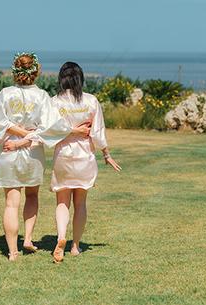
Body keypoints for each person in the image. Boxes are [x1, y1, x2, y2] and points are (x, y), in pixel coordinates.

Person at [0, 53, 90, 261]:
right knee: (32, 196)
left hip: (10, 149)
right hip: (32, 152)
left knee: (11, 203)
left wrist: (17, 134)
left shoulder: (5, 94)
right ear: (36, 72)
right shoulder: (41, 97)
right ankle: (28, 238)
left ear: (15, 71)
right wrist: (28, 135)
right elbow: (52, 127)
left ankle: (13, 251)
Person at [50, 62, 122, 263]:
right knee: (80, 203)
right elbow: (97, 133)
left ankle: (61, 236)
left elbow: (49, 129)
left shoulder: (54, 102)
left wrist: (69, 131)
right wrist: (106, 154)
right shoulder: (90, 101)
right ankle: (75, 246)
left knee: (62, 201)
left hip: (63, 154)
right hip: (84, 156)